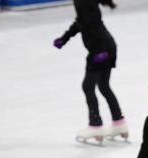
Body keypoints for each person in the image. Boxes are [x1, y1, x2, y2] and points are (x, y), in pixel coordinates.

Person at [53, 0, 126, 144]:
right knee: (104, 86)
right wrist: (64, 38)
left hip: (101, 50)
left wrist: (102, 51)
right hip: (108, 47)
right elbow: (81, 22)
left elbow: (92, 22)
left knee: (88, 86)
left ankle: (95, 125)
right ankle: (119, 123)